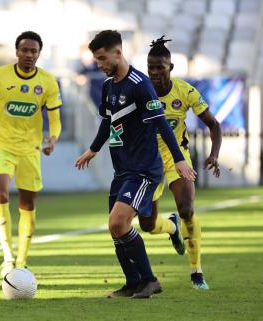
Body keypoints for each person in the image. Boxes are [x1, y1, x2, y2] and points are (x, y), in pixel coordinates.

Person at [75, 30, 196, 298]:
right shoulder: (108, 86)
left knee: (119, 224)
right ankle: (132, 282)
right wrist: (93, 149)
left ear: (118, 53)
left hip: (144, 170)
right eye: (96, 60)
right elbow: (108, 121)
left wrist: (178, 159)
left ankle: (150, 280)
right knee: (114, 227)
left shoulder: (140, 85)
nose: (99, 65)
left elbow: (162, 123)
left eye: (102, 58)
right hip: (122, 169)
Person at [0, 31, 62, 277]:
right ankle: (7, 256)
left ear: (39, 53)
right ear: (17, 51)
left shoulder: (49, 81)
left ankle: (22, 258)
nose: (29, 55)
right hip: (1, 145)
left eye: (33, 51)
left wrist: (52, 138)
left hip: (30, 150)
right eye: (25, 50)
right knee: (0, 194)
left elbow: (55, 120)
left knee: (27, 204)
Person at [139, 36, 222, 290]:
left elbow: (214, 124)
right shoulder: (140, 92)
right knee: (148, 225)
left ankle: (196, 271)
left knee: (187, 208)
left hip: (178, 157)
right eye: (150, 67)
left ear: (170, 68)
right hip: (147, 160)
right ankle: (171, 226)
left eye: (159, 67)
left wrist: (214, 154)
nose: (154, 72)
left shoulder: (184, 91)